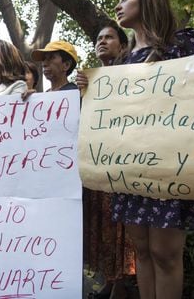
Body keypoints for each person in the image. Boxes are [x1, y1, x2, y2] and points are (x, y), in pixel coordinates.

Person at [112, 0, 194, 299]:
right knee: (142, 251)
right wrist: (92, 89)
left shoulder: (180, 45)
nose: (118, 3)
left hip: (169, 165)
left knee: (165, 253)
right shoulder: (122, 60)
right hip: (131, 167)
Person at [76, 21, 137, 299]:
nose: (102, 41)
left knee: (120, 229)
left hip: (124, 168)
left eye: (109, 37)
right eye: (99, 38)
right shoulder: (90, 79)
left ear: (122, 45)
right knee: (103, 227)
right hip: (98, 167)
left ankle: (121, 287)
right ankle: (111, 283)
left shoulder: (133, 74)